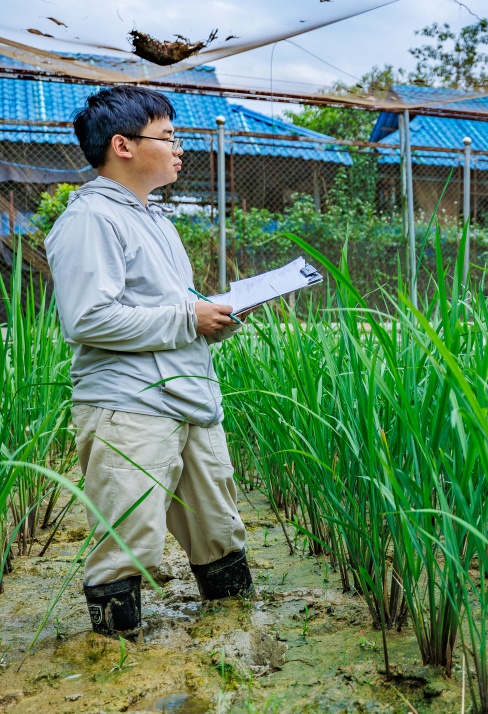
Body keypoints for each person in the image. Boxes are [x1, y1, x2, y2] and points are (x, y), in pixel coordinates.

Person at [46, 86, 253, 637]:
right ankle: (115, 668)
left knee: (220, 533)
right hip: (129, 408)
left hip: (188, 402)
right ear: (123, 145)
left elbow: (165, 307)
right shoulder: (90, 220)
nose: (180, 148)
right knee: (126, 547)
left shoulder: (155, 221)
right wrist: (190, 319)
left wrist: (212, 318)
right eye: (168, 137)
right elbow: (88, 319)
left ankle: (238, 640)